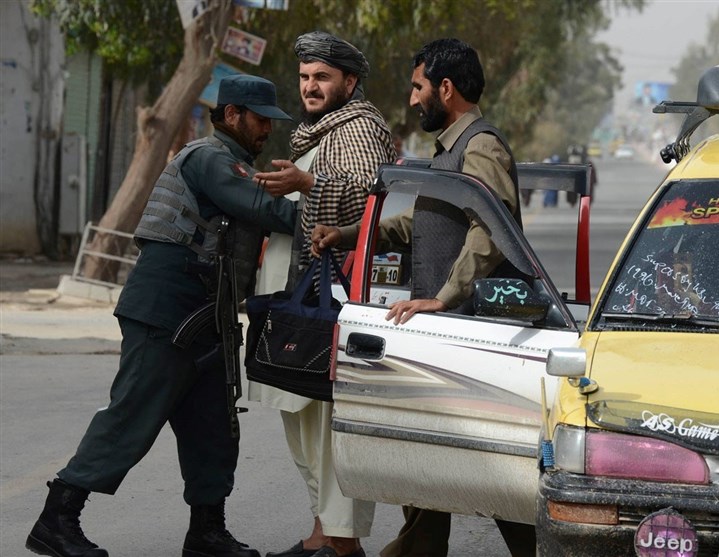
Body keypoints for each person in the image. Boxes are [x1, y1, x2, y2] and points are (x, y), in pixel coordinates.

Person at [26, 74, 297, 557]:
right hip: (166, 309)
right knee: (131, 417)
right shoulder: (212, 159)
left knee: (214, 426)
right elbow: (269, 211)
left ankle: (207, 533)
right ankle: (57, 519)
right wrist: (335, 213)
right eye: (259, 119)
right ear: (231, 114)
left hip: (204, 316)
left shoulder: (233, 161)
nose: (266, 131)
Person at [310, 38, 534, 556]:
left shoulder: (480, 146)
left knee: (491, 476)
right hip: (450, 336)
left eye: (418, 87)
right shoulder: (452, 149)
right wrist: (349, 234)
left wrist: (445, 296)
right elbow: (423, 222)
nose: (413, 100)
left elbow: (490, 231)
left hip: (475, 337)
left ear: (446, 88)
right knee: (436, 479)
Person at [248, 31, 395, 557]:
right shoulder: (316, 133)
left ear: (348, 82)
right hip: (297, 293)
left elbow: (369, 198)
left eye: (322, 78)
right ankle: (321, 532)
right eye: (306, 77)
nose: (310, 87)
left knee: (327, 421)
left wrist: (307, 187)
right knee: (299, 413)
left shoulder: (359, 128)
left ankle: (340, 542)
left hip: (328, 297)